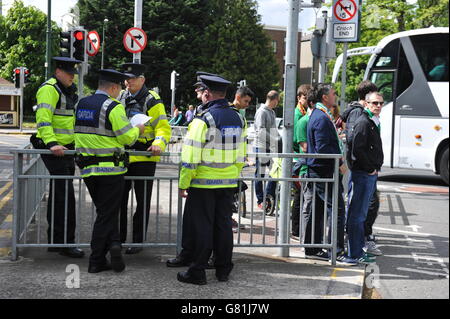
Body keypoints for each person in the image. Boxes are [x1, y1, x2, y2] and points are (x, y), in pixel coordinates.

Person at [176, 74, 247, 285]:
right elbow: (241, 155)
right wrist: (232, 175)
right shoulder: (239, 118)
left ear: (207, 93)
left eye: (201, 93)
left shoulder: (203, 120)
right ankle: (223, 270)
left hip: (203, 183)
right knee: (223, 227)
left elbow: (190, 158)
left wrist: (183, 183)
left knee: (202, 228)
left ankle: (197, 271)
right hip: (228, 183)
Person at [74, 69, 145, 273]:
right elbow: (126, 138)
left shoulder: (81, 104)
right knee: (106, 215)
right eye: (119, 88)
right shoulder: (113, 106)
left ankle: (114, 244)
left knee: (106, 212)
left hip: (88, 169)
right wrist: (137, 130)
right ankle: (96, 260)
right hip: (111, 170)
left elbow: (76, 131)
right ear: (113, 88)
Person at [31, 57, 84, 258]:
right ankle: (65, 243)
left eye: (73, 74)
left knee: (60, 195)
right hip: (55, 149)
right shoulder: (49, 89)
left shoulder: (66, 90)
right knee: (65, 196)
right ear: (58, 71)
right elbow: (43, 120)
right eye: (69, 73)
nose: (72, 77)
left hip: (66, 149)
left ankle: (56, 241)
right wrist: (52, 143)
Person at [118, 63, 171, 254]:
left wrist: (159, 143)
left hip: (145, 157)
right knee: (119, 201)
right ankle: (119, 239)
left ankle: (138, 241)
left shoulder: (152, 100)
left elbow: (163, 128)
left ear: (142, 80)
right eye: (126, 78)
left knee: (142, 203)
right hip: (124, 156)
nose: (127, 82)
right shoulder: (121, 97)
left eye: (131, 79)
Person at [305, 83, 346, 260]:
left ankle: (313, 249)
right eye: (333, 94)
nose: (335, 96)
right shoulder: (321, 118)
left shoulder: (319, 115)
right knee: (336, 209)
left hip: (319, 171)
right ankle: (335, 251)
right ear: (324, 97)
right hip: (323, 171)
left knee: (318, 210)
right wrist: (339, 162)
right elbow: (323, 149)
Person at [341, 80, 382, 256]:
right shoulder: (363, 122)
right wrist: (370, 168)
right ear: (366, 103)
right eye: (374, 103)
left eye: (381, 103)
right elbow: (356, 148)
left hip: (368, 174)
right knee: (357, 215)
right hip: (363, 174)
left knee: (361, 214)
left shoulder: (371, 121)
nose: (378, 106)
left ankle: (357, 251)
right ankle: (354, 253)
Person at [291, 85, 313, 239]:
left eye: (308, 97)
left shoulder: (304, 112)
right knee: (299, 196)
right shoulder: (298, 114)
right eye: (304, 97)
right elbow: (295, 139)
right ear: (299, 98)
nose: (306, 100)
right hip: (297, 159)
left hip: (300, 158)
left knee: (301, 195)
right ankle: (296, 229)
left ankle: (298, 229)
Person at [253, 90, 280, 209]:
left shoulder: (272, 113)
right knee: (260, 174)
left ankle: (268, 196)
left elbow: (273, 129)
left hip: (270, 147)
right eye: (277, 101)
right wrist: (274, 138)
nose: (277, 103)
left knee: (275, 172)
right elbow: (260, 131)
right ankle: (260, 200)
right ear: (274, 100)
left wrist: (278, 138)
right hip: (261, 147)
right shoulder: (261, 112)